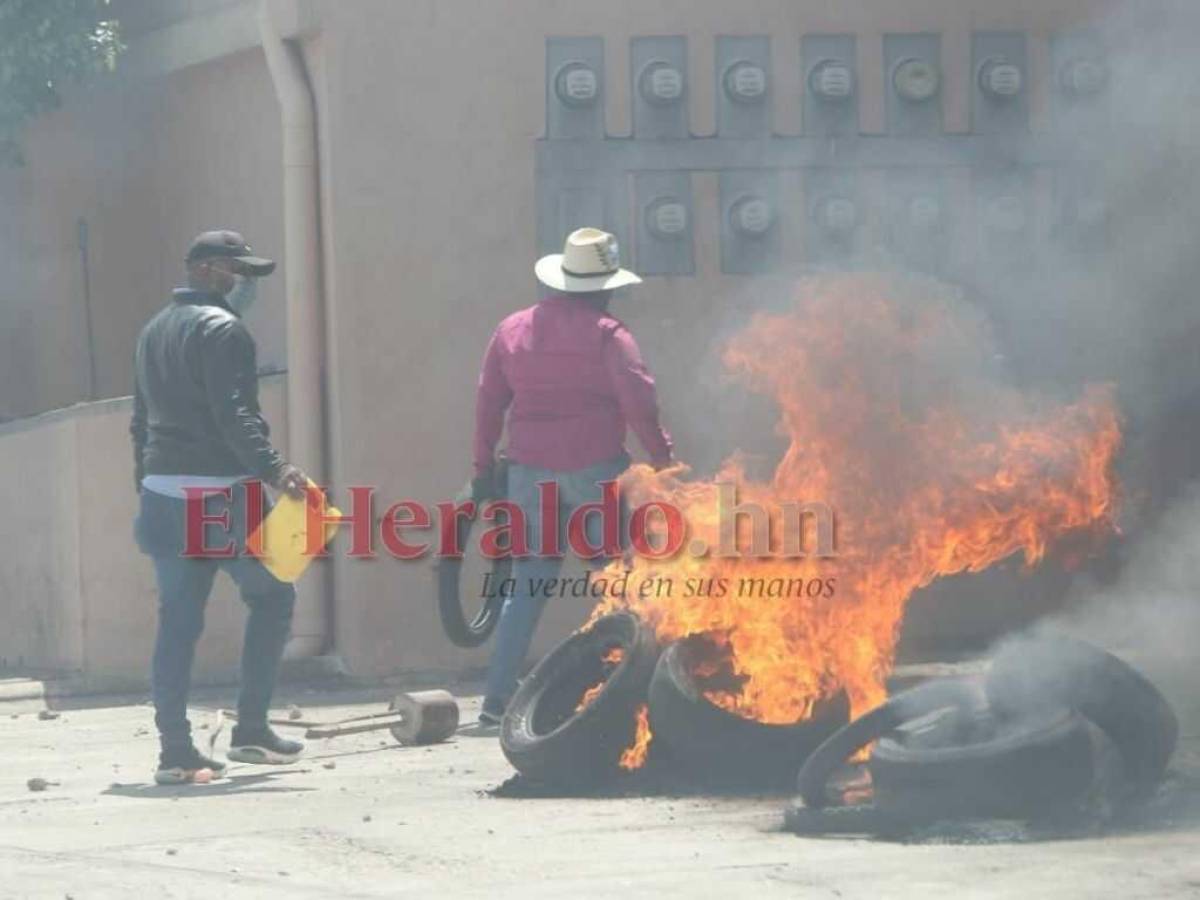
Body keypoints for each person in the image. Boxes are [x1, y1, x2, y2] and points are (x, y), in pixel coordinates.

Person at [473, 227, 674, 725]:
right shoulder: (610, 336)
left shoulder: (512, 330)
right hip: (595, 470)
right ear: (604, 287)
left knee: (529, 583)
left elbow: (488, 403)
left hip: (528, 474)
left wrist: (481, 468)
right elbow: (639, 404)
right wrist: (662, 458)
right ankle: (627, 686)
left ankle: (496, 701)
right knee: (617, 580)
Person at [131, 230, 311, 784]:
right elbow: (236, 414)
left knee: (178, 624)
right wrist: (276, 470)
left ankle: (174, 751)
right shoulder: (225, 330)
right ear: (209, 270)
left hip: (164, 494)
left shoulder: (152, 331)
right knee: (274, 597)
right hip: (223, 494)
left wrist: (147, 482)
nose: (248, 284)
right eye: (242, 272)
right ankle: (252, 731)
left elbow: (140, 421)